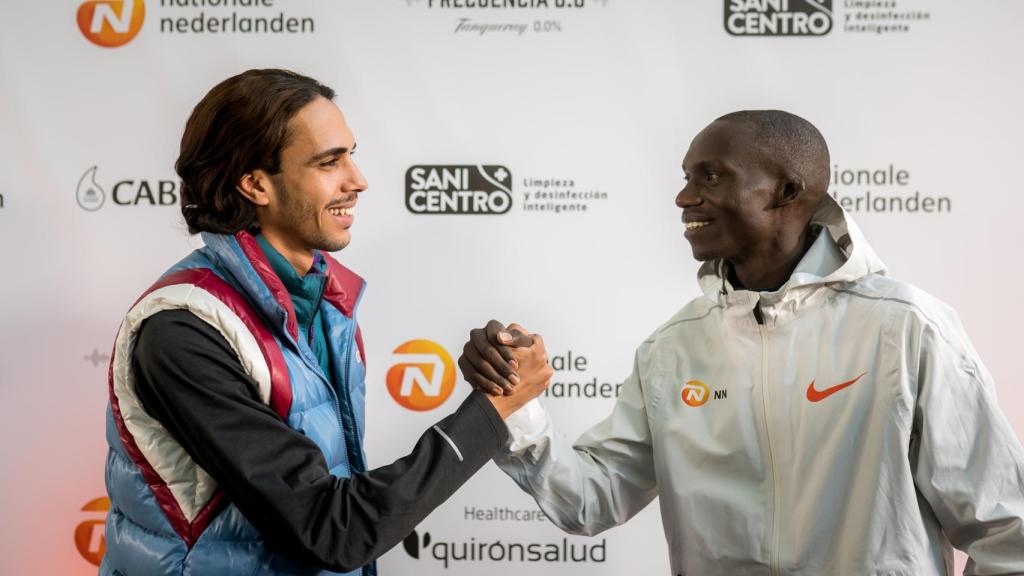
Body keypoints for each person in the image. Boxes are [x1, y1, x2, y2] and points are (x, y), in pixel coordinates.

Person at [461, 111, 1024, 574]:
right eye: (685, 177)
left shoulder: (904, 327)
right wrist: (514, 400)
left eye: (710, 177)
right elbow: (590, 500)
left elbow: (1004, 530)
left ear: (786, 191)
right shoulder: (673, 349)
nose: (684, 197)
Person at [101, 68, 553, 576]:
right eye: (328, 162)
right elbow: (333, 528)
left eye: (351, 155)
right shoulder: (183, 331)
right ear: (254, 184)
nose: (357, 180)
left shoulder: (324, 300)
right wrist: (494, 409)